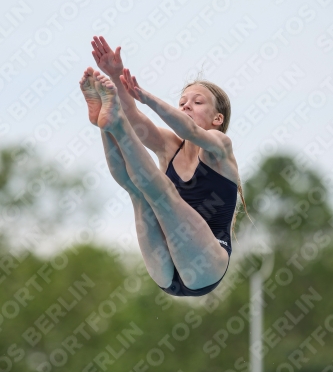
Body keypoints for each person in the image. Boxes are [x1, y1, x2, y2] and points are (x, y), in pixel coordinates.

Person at [79, 36, 244, 297]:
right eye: (182, 103)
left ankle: (112, 121)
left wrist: (147, 98)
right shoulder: (170, 145)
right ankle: (106, 124)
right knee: (136, 190)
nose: (187, 105)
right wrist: (115, 74)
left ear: (217, 118)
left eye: (197, 102)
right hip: (165, 271)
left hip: (206, 268)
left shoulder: (220, 147)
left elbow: (188, 128)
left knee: (162, 195)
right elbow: (135, 118)